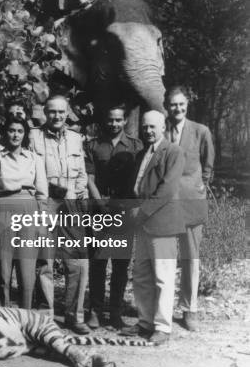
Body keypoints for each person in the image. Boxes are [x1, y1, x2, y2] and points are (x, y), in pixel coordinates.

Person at [121, 111, 185, 345]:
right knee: (141, 276)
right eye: (145, 127)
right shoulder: (142, 153)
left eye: (152, 127)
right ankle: (145, 322)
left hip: (162, 223)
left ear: (163, 127)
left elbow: (167, 190)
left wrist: (142, 211)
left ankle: (162, 327)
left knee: (163, 277)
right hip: (143, 224)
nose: (148, 131)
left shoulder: (174, 152)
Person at [29, 95, 91, 334]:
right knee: (45, 260)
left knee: (76, 261)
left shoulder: (76, 138)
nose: (57, 116)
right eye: (52, 112)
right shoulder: (34, 136)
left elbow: (82, 173)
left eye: (61, 112)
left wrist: (79, 196)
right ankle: (46, 316)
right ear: (45, 112)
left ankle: (75, 315)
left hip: (71, 202)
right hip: (46, 202)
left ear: (68, 113)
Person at [84, 105, 143, 329]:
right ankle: (96, 311)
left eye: (118, 120)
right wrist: (100, 203)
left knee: (120, 264)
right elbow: (89, 177)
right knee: (98, 262)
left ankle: (115, 312)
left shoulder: (137, 146)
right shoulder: (93, 145)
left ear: (125, 120)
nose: (114, 124)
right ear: (105, 120)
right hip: (99, 209)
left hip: (124, 210)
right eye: (110, 120)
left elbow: (140, 178)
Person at [0, 115, 49, 308]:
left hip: (29, 210)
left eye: (20, 131)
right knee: (4, 271)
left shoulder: (35, 159)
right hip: (3, 210)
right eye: (11, 130)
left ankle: (25, 315)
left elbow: (42, 195)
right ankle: (3, 317)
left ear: (25, 134)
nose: (15, 135)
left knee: (27, 271)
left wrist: (42, 224)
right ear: (5, 133)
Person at [165, 87, 214, 332]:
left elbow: (208, 164)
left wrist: (201, 184)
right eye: (173, 104)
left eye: (181, 104)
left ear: (187, 105)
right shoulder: (160, 130)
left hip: (192, 201)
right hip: (166, 203)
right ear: (167, 105)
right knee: (165, 256)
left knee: (190, 257)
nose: (178, 109)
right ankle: (161, 310)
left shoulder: (200, 131)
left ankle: (189, 309)